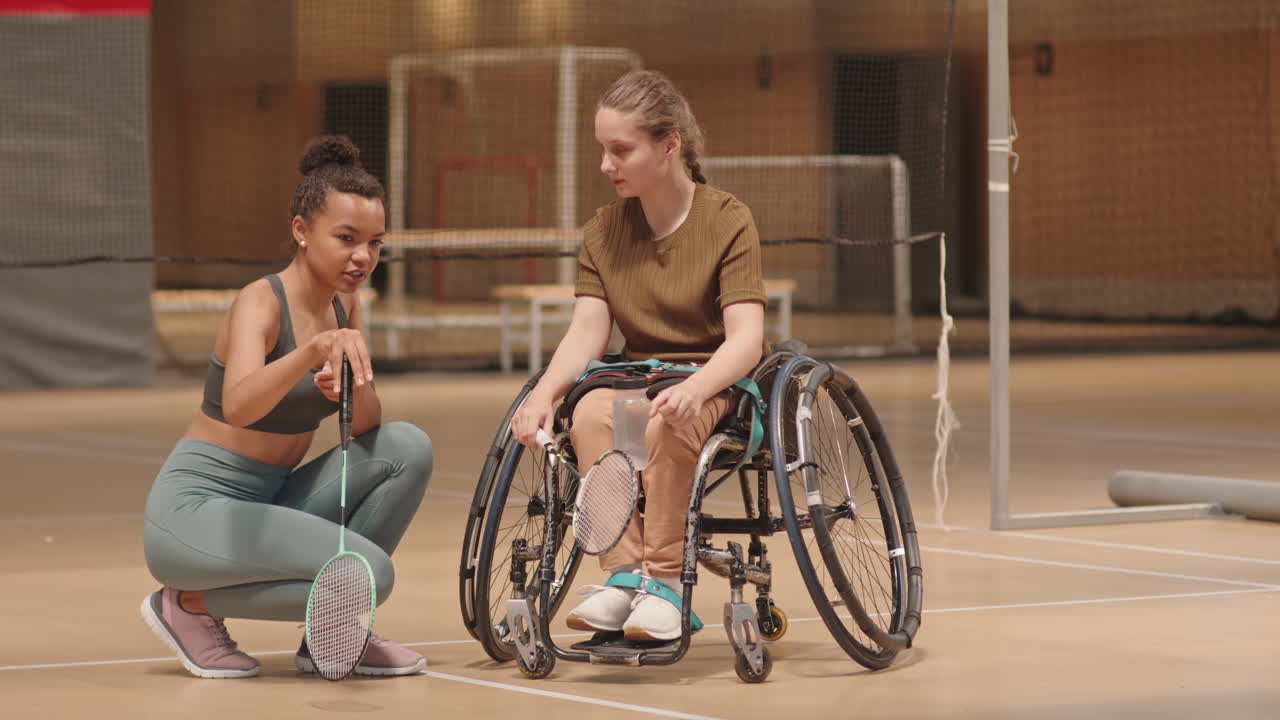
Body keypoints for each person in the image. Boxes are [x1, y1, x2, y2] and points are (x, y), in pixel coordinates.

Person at [141, 136, 433, 678]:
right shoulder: (260, 301)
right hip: (197, 512)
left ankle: (328, 632)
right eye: (346, 238)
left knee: (407, 446)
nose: (362, 257)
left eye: (374, 243)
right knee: (372, 574)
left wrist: (349, 386)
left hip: (272, 501)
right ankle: (186, 604)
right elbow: (240, 405)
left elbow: (364, 427)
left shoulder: (347, 303)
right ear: (301, 231)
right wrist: (309, 353)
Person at [510, 70, 767, 642]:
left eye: (620, 150)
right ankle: (625, 575)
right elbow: (585, 334)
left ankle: (668, 585)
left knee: (665, 419)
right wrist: (544, 395)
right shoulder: (604, 230)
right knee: (593, 413)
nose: (607, 164)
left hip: (713, 382)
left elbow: (746, 338)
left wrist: (698, 389)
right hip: (639, 377)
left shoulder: (728, 219)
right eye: (604, 149)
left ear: (669, 144)